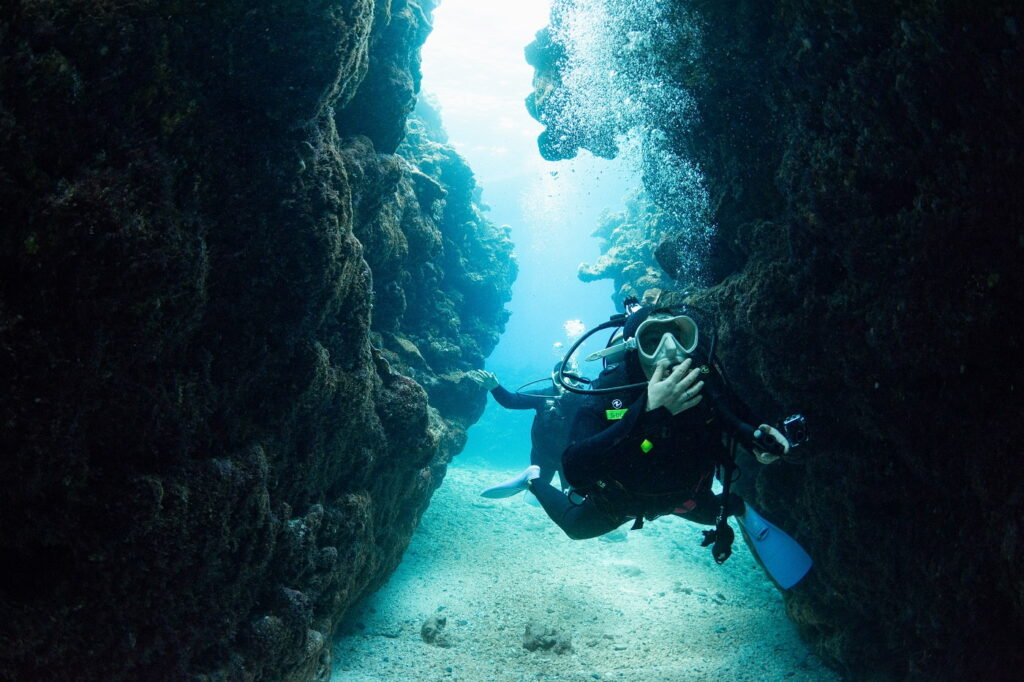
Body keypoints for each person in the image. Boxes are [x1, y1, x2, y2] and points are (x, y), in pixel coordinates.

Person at [479, 304, 813, 589]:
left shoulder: (705, 381)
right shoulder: (609, 390)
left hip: (683, 496)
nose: (670, 351)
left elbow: (740, 424)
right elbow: (576, 469)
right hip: (622, 498)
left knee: (727, 506)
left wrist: (762, 442)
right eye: (652, 340)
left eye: (679, 337)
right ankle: (534, 477)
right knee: (575, 528)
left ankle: (741, 512)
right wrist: (646, 407)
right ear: (633, 348)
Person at [467, 362, 583, 492]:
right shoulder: (543, 396)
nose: (566, 384)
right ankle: (533, 485)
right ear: (554, 379)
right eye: (560, 378)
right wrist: (495, 388)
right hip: (542, 458)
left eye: (572, 378)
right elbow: (511, 401)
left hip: (572, 460)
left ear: (578, 378)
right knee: (538, 491)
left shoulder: (588, 399)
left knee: (575, 499)